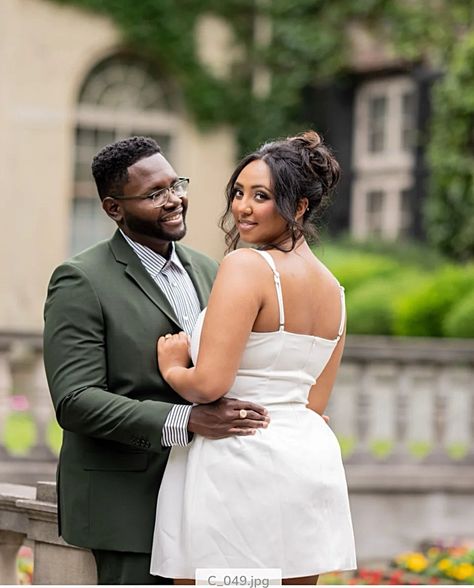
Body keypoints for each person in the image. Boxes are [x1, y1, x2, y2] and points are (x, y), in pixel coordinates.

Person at [43, 136, 270, 585]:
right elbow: (75, 400)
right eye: (155, 194)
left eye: (175, 184)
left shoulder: (212, 270)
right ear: (113, 208)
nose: (175, 200)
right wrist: (186, 420)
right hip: (129, 505)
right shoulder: (80, 280)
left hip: (212, 495)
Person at [150, 131, 357, 584]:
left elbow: (209, 385)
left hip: (238, 465)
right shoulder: (335, 293)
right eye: (239, 192)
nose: (242, 207)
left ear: (299, 206)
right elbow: (314, 407)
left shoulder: (247, 267)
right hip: (307, 463)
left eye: (261, 196)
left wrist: (173, 367)